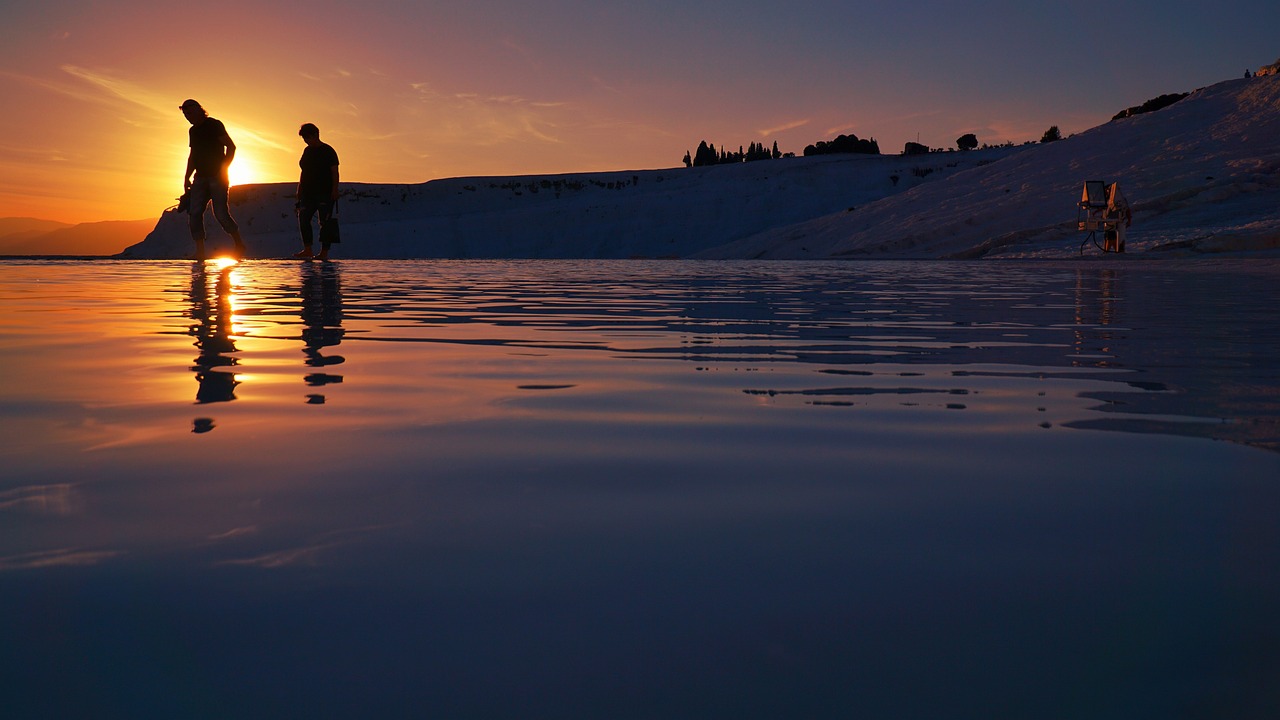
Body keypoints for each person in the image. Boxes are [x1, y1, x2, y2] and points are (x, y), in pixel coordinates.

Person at [180, 99, 247, 260]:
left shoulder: (214, 124)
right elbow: (193, 155)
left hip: (217, 176)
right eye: (185, 114)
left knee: (221, 213)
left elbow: (231, 146)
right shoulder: (192, 131)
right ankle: (200, 251)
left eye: (189, 113)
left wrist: (223, 168)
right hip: (200, 177)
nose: (188, 117)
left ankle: (239, 244)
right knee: (194, 213)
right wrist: (186, 176)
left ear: (198, 110)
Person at [294, 123, 340, 260]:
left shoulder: (328, 151)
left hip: (325, 192)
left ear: (315, 135)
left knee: (325, 222)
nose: (306, 141)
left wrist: (335, 190)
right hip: (308, 192)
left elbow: (334, 172)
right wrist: (299, 189)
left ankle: (324, 252)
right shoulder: (307, 151)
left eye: (307, 138)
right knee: (303, 218)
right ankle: (307, 249)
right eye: (304, 139)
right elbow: (303, 171)